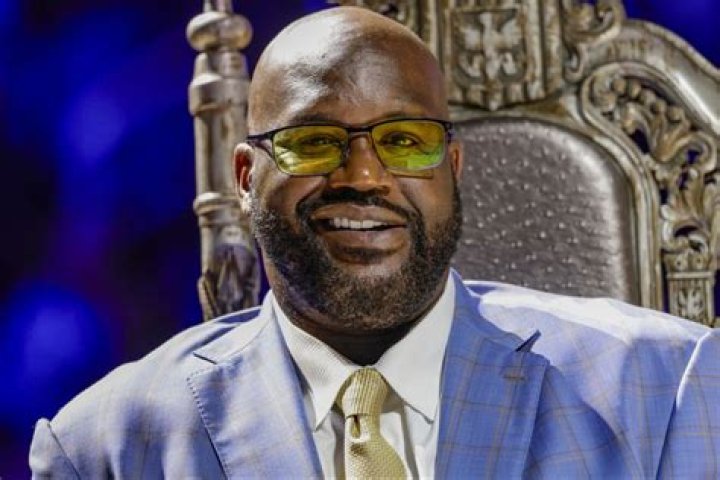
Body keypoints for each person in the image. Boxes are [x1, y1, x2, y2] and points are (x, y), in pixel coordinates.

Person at [30, 6, 719, 478]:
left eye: (405, 141)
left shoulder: (662, 388)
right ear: (243, 178)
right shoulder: (104, 446)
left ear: (452, 169)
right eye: (312, 142)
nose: (364, 176)